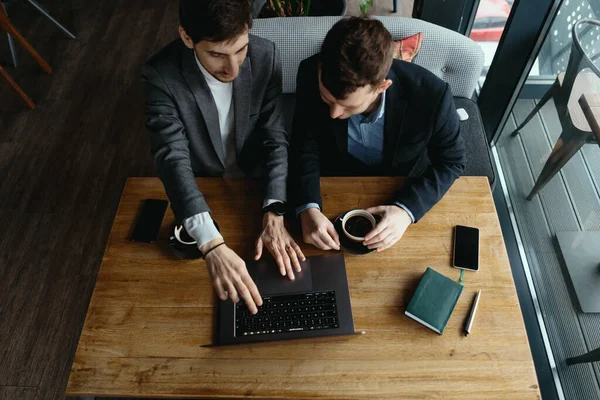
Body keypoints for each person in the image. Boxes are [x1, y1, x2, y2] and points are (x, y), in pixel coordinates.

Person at [142, 0, 304, 315]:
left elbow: (275, 138)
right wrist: (212, 245)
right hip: (202, 185)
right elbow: (172, 157)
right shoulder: (159, 75)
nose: (233, 68)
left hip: (255, 183)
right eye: (217, 54)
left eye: (240, 50)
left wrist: (274, 209)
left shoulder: (266, 55)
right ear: (187, 38)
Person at [292, 17, 466, 253]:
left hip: (397, 187)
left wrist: (407, 210)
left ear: (382, 87)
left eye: (348, 107)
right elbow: (305, 145)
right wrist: (307, 207)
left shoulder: (433, 95)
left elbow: (452, 162)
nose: (333, 114)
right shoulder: (309, 72)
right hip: (331, 183)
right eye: (327, 99)